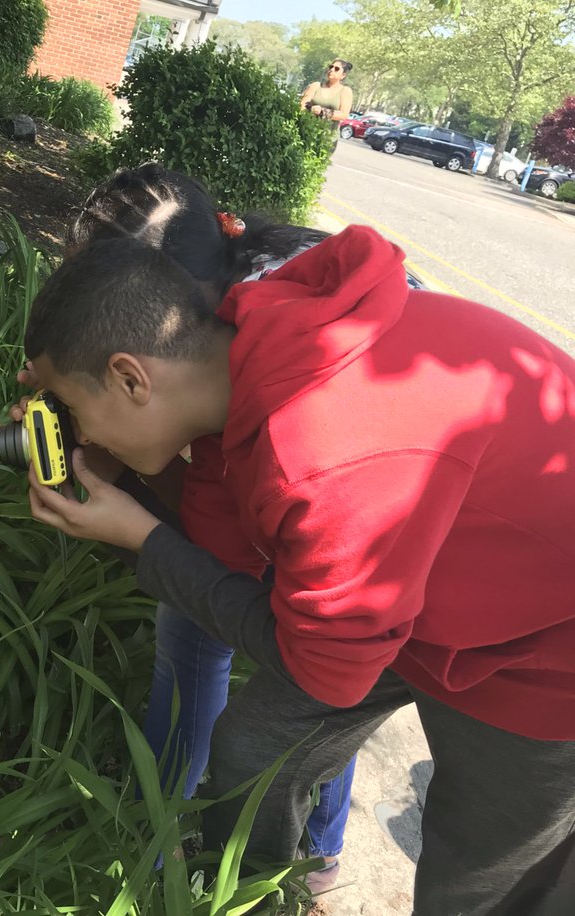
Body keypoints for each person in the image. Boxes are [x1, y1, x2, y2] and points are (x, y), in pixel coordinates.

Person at [18, 201, 575, 913]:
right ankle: (250, 898)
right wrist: (125, 480)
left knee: (476, 885)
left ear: (131, 379)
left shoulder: (322, 453)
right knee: (256, 749)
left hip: (543, 653)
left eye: (77, 408)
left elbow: (324, 670)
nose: (80, 430)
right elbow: (229, 560)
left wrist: (142, 538)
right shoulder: (244, 360)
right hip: (414, 602)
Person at [54, 164, 392, 889]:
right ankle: (166, 829)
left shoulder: (276, 348)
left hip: (358, 512)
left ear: (167, 304)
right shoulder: (206, 318)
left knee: (325, 685)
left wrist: (138, 509)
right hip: (302, 485)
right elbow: (208, 518)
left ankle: (281, 854)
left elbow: (232, 532)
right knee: (207, 630)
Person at [301, 59, 354, 146]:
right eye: (331, 67)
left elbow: (344, 114)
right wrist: (310, 109)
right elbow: (302, 106)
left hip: (327, 139)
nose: (332, 70)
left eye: (336, 69)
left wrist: (323, 112)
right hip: (307, 132)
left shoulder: (345, 91)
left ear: (343, 75)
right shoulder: (316, 86)